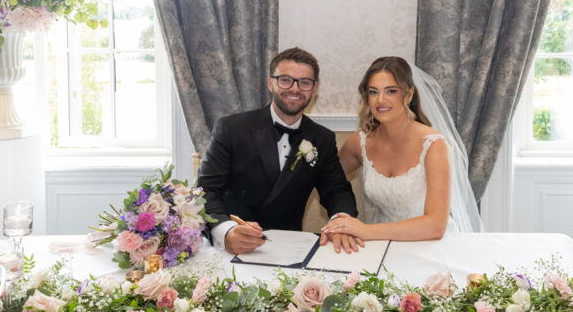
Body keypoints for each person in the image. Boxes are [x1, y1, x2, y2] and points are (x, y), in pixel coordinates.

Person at [198, 47, 362, 255]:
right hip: (232, 247)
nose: (294, 89)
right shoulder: (231, 128)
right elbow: (205, 192)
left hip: (287, 249)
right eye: (285, 80)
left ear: (314, 88)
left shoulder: (322, 138)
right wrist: (226, 232)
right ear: (270, 83)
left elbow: (337, 191)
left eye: (304, 82)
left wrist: (341, 222)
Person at [323, 56, 482, 241]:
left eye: (391, 91)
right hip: (383, 246)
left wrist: (365, 231)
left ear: (409, 94)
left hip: (430, 244)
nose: (380, 100)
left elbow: (436, 226)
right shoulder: (360, 142)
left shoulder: (433, 145)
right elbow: (326, 177)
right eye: (373, 92)